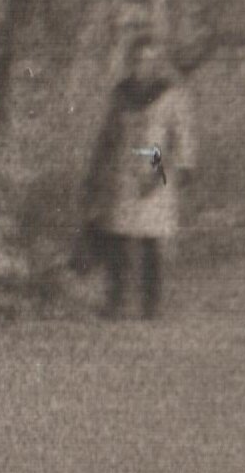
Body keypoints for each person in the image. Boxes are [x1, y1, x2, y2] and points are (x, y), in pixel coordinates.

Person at [83, 32, 197, 321]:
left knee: (151, 240)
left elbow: (181, 135)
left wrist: (183, 166)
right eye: (137, 59)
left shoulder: (170, 93)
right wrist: (95, 170)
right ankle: (116, 302)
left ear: (157, 63)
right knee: (117, 238)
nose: (141, 65)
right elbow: (106, 134)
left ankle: (151, 305)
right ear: (130, 61)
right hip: (121, 164)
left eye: (148, 60)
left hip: (154, 159)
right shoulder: (120, 93)